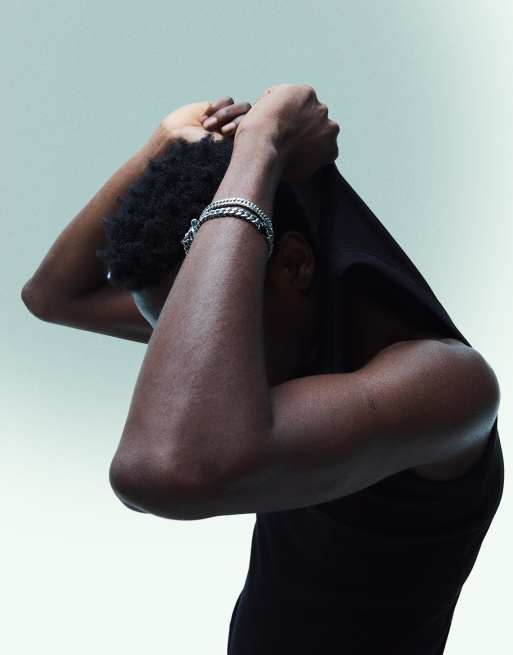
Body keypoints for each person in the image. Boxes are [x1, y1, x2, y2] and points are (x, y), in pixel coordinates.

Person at [21, 85, 503, 653]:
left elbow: (164, 470)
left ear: (295, 263)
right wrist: (164, 143)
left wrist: (262, 145)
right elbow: (55, 297)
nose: (204, 335)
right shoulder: (270, 324)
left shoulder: (446, 382)